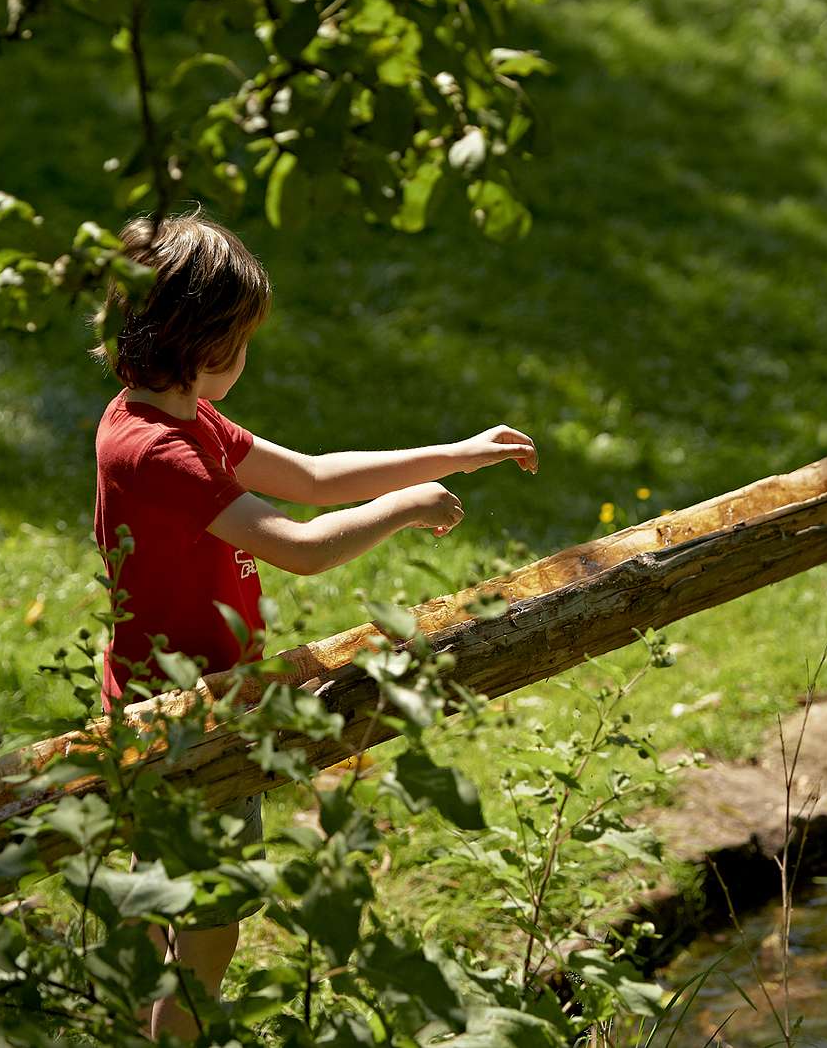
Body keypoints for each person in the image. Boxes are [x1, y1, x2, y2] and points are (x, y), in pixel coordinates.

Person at [91, 208, 538, 1039]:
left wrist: (456, 451)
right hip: (188, 718)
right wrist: (401, 510)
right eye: (242, 340)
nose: (247, 358)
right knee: (213, 920)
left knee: (166, 892)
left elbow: (314, 476)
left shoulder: (171, 414)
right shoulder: (158, 449)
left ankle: (127, 1014)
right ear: (203, 342)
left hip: (190, 696)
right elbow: (298, 545)